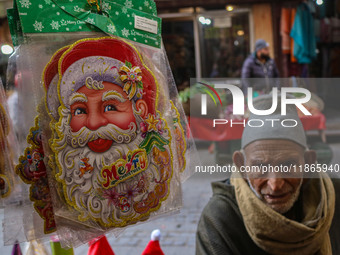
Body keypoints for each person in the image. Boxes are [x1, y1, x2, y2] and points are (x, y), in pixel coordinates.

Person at [196, 95, 340, 254]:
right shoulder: (220, 218)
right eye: (260, 167)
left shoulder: (331, 197)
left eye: (288, 165)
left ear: (308, 163)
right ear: (241, 165)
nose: (275, 184)